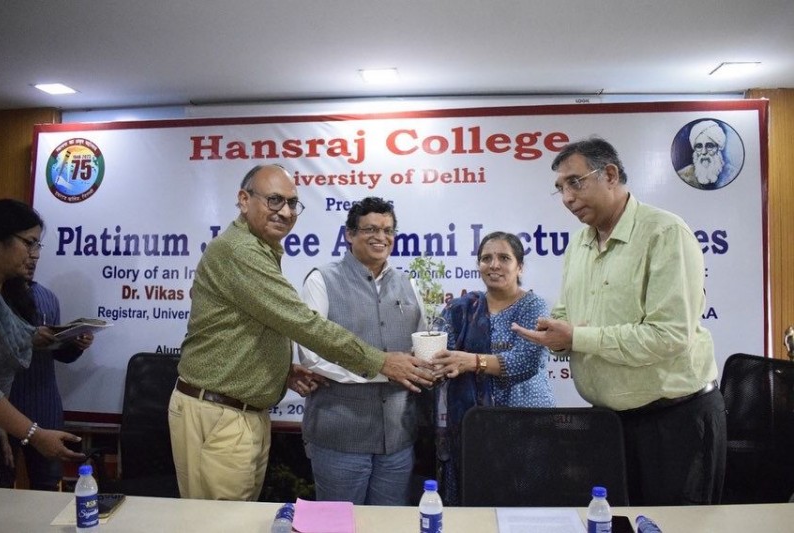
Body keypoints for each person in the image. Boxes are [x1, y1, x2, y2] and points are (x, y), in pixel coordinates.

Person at [168, 165, 434, 502]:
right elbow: (303, 324)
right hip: (223, 413)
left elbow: (251, 328)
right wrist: (381, 362)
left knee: (236, 515)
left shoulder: (260, 249)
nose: (285, 211)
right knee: (220, 521)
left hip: (242, 413)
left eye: (292, 203)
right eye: (274, 200)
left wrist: (284, 371)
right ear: (244, 200)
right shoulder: (242, 251)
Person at [512, 136, 726, 505]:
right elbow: (567, 315)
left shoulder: (664, 233)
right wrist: (554, 336)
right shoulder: (578, 245)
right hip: (608, 424)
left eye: (575, 182)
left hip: (674, 422)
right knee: (613, 522)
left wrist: (576, 338)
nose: (567, 198)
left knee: (674, 526)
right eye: (560, 188)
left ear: (610, 175)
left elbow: (669, 335)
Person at [297, 196, 426, 506]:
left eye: (388, 230)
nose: (381, 237)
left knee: (388, 525)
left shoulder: (409, 284)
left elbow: (420, 348)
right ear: (349, 234)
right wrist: (383, 369)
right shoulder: (322, 280)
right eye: (370, 229)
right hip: (339, 438)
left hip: (398, 440)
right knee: (338, 525)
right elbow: (311, 356)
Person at [431, 231, 555, 505]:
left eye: (504, 258)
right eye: (486, 258)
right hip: (474, 426)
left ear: (520, 267)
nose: (494, 265)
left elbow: (525, 363)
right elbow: (442, 352)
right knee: (475, 502)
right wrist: (433, 362)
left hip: (524, 424)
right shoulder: (463, 309)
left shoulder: (533, 306)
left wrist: (472, 361)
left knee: (522, 503)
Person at [0, 199, 85, 488]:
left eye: (38, 245)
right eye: (29, 243)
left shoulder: (7, 298)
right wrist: (33, 433)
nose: (34, 254)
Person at [676, 120, 738, 189]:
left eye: (710, 146)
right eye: (699, 146)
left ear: (718, 148)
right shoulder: (684, 175)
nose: (703, 152)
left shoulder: (731, 174)